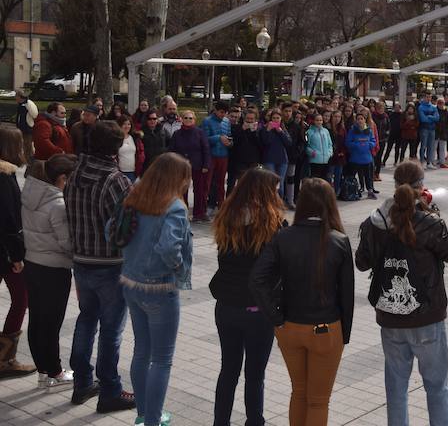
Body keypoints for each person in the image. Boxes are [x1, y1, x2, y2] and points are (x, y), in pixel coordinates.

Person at [355, 160, 448, 426]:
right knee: (436, 387)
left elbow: (362, 262)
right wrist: (434, 215)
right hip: (427, 316)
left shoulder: (375, 221)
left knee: (396, 389)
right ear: (421, 186)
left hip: (390, 316)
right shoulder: (428, 222)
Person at [250, 177, 354, 426]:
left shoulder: (282, 237)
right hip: (326, 329)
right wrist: (344, 335)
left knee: (299, 391)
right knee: (318, 401)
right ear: (330, 204)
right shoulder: (339, 240)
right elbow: (346, 295)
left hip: (289, 327)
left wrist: (275, 317)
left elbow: (257, 279)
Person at [65, 121, 135, 412]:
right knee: (111, 329)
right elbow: (126, 228)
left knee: (86, 320)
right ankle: (110, 390)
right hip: (110, 264)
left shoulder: (74, 172)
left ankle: (82, 382)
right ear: (116, 148)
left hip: (81, 260)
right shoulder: (115, 180)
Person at [120, 153, 193, 426]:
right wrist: (176, 267)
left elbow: (110, 231)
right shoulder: (173, 206)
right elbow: (168, 247)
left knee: (142, 351)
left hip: (130, 281)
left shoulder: (135, 196)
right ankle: (152, 419)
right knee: (162, 360)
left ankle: (143, 414)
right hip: (160, 287)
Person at [210, 168, 284, 426]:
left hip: (226, 306)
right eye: (274, 189)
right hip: (257, 309)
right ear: (264, 192)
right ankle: (255, 421)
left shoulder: (226, 217)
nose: (278, 193)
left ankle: (220, 422)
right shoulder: (273, 223)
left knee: (228, 370)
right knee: (255, 374)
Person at [21, 154, 76, 387]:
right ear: (62, 178)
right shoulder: (58, 204)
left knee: (37, 319)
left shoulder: (30, 195)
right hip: (54, 269)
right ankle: (55, 371)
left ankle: (43, 370)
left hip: (32, 264)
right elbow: (66, 243)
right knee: (52, 322)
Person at [0, 127, 35, 380]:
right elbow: (9, 220)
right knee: (21, 298)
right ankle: (5, 359)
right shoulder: (5, 176)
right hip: (5, 253)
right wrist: (17, 256)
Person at [169, 111, 212, 222]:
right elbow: (172, 150)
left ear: (194, 119)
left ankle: (200, 213)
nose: (188, 120)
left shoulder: (200, 133)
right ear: (181, 119)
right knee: (182, 190)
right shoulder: (177, 134)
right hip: (181, 166)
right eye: (186, 118)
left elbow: (206, 149)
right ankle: (183, 211)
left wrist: (206, 164)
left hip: (198, 165)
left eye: (190, 118)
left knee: (200, 190)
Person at [203, 101, 233, 215]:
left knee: (221, 182)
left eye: (225, 113)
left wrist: (230, 143)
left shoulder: (227, 121)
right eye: (221, 112)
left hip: (223, 156)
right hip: (211, 155)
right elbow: (205, 139)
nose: (223, 115)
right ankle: (208, 205)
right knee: (208, 182)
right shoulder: (207, 121)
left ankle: (221, 205)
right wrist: (218, 138)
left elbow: (229, 136)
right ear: (215, 110)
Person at [260, 109, 293, 200]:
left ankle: (279, 204)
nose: (275, 120)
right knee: (271, 182)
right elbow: (265, 142)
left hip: (282, 160)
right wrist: (268, 130)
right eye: (273, 118)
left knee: (280, 183)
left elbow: (289, 143)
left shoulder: (283, 129)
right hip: (269, 159)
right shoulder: (265, 128)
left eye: (277, 118)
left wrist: (281, 132)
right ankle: (270, 203)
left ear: (281, 119)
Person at [229, 108, 265, 192]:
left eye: (251, 119)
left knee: (253, 184)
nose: (249, 121)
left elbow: (261, 145)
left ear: (255, 120)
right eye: (247, 119)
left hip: (254, 160)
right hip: (241, 160)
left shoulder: (259, 130)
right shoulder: (238, 128)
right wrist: (242, 130)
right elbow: (234, 143)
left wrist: (254, 132)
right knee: (242, 183)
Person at [346, 112, 378, 199]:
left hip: (367, 158)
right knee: (352, 176)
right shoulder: (352, 131)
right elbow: (348, 142)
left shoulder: (369, 130)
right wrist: (357, 144)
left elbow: (373, 141)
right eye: (358, 119)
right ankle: (352, 190)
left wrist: (368, 145)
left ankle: (370, 191)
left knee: (368, 176)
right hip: (355, 158)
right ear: (356, 120)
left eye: (362, 119)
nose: (360, 120)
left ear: (365, 120)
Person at [115, 115, 144, 183]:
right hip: (120, 173)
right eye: (124, 124)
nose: (127, 126)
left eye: (129, 124)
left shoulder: (135, 138)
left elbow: (140, 153)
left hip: (133, 172)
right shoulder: (116, 138)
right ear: (119, 125)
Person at [306, 113, 334, 181]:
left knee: (325, 180)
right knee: (316, 180)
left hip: (326, 160)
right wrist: (312, 153)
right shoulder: (309, 132)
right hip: (315, 161)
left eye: (320, 120)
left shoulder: (325, 131)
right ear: (313, 121)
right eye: (317, 120)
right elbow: (306, 145)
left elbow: (330, 144)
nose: (319, 122)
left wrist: (329, 153)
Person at [14, 89, 38, 162]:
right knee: (23, 144)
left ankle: (29, 160)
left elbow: (35, 114)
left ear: (19, 96)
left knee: (28, 145)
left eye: (16, 96)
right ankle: (25, 158)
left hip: (27, 128)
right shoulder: (20, 104)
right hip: (20, 127)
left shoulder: (29, 104)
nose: (15, 98)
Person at [327, 111, 348, 193]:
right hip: (331, 155)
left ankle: (336, 192)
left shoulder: (342, 129)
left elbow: (345, 142)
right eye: (335, 116)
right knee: (329, 175)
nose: (337, 119)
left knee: (338, 175)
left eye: (339, 117)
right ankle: (328, 193)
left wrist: (343, 151)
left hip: (340, 156)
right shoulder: (328, 128)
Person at [417, 94, 439, 168]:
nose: (428, 98)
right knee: (423, 146)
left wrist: (429, 117)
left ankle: (429, 163)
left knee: (431, 146)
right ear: (423, 98)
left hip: (432, 129)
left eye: (429, 97)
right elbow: (423, 119)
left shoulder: (433, 107)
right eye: (427, 97)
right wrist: (432, 118)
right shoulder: (421, 107)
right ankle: (422, 162)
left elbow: (437, 118)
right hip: (424, 128)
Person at [372, 102, 391, 180]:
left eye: (382, 108)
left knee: (379, 157)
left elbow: (389, 127)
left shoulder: (386, 117)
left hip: (382, 140)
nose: (380, 109)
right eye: (379, 108)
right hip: (374, 139)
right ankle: (372, 173)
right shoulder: (373, 116)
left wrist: (386, 135)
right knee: (374, 157)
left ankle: (377, 173)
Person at [434, 98, 448, 169]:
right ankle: (431, 161)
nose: (441, 105)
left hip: (443, 132)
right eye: (439, 103)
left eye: (442, 103)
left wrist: (447, 130)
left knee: (442, 148)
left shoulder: (445, 111)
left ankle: (442, 162)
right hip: (435, 132)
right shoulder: (434, 110)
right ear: (437, 104)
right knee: (433, 147)